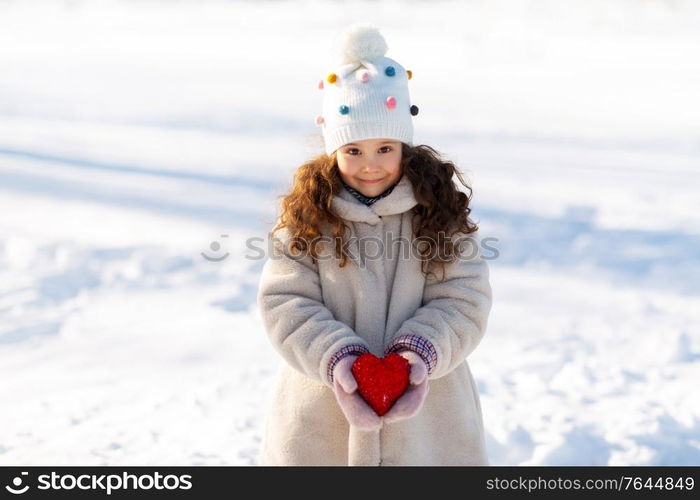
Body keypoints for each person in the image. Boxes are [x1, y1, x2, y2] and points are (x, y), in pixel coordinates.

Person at [256, 23, 493, 466]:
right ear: (333, 151)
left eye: (385, 148)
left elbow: (464, 298)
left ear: (405, 146)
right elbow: (286, 301)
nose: (370, 166)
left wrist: (417, 354)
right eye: (354, 151)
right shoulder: (306, 219)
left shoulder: (439, 214)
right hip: (320, 416)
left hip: (429, 422)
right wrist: (338, 358)